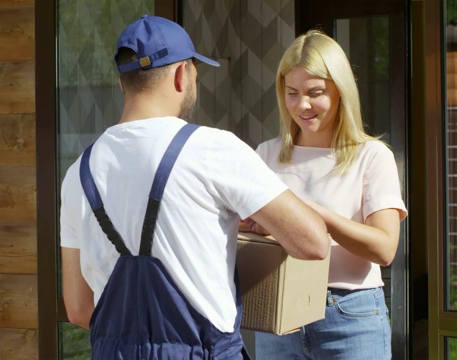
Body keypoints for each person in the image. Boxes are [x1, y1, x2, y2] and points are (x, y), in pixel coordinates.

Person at [59, 15, 330, 359]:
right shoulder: (212, 149)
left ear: (122, 84)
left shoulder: (78, 173)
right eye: (195, 75)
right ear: (180, 74)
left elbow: (79, 309)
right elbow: (313, 242)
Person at [249, 30, 408, 359]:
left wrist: (314, 216)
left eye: (315, 92)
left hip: (351, 317)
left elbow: (384, 248)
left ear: (341, 92)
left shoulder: (371, 156)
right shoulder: (266, 154)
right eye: (292, 93)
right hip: (279, 314)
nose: (302, 105)